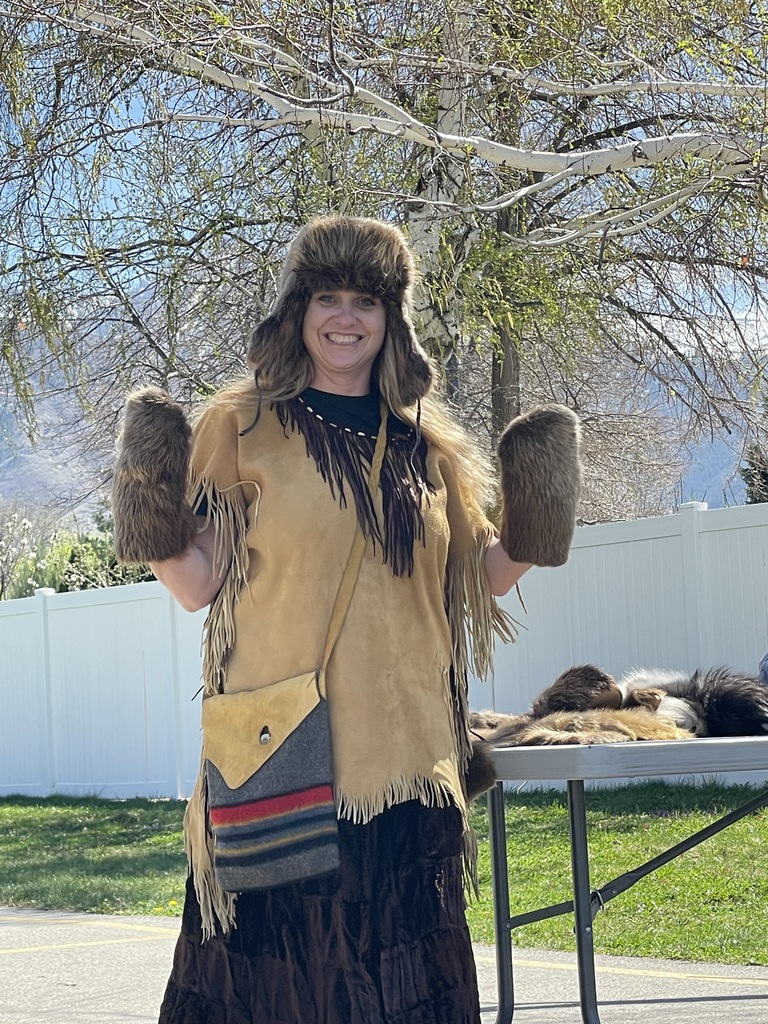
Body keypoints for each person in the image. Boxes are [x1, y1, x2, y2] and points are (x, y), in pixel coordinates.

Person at [111, 215, 581, 1024]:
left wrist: (540, 516)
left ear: (390, 319)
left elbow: (482, 579)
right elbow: (197, 585)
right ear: (298, 310)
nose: (345, 317)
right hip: (282, 764)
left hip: (406, 768)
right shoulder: (245, 425)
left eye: (366, 300)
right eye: (326, 296)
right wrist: (147, 508)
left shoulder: (426, 448)